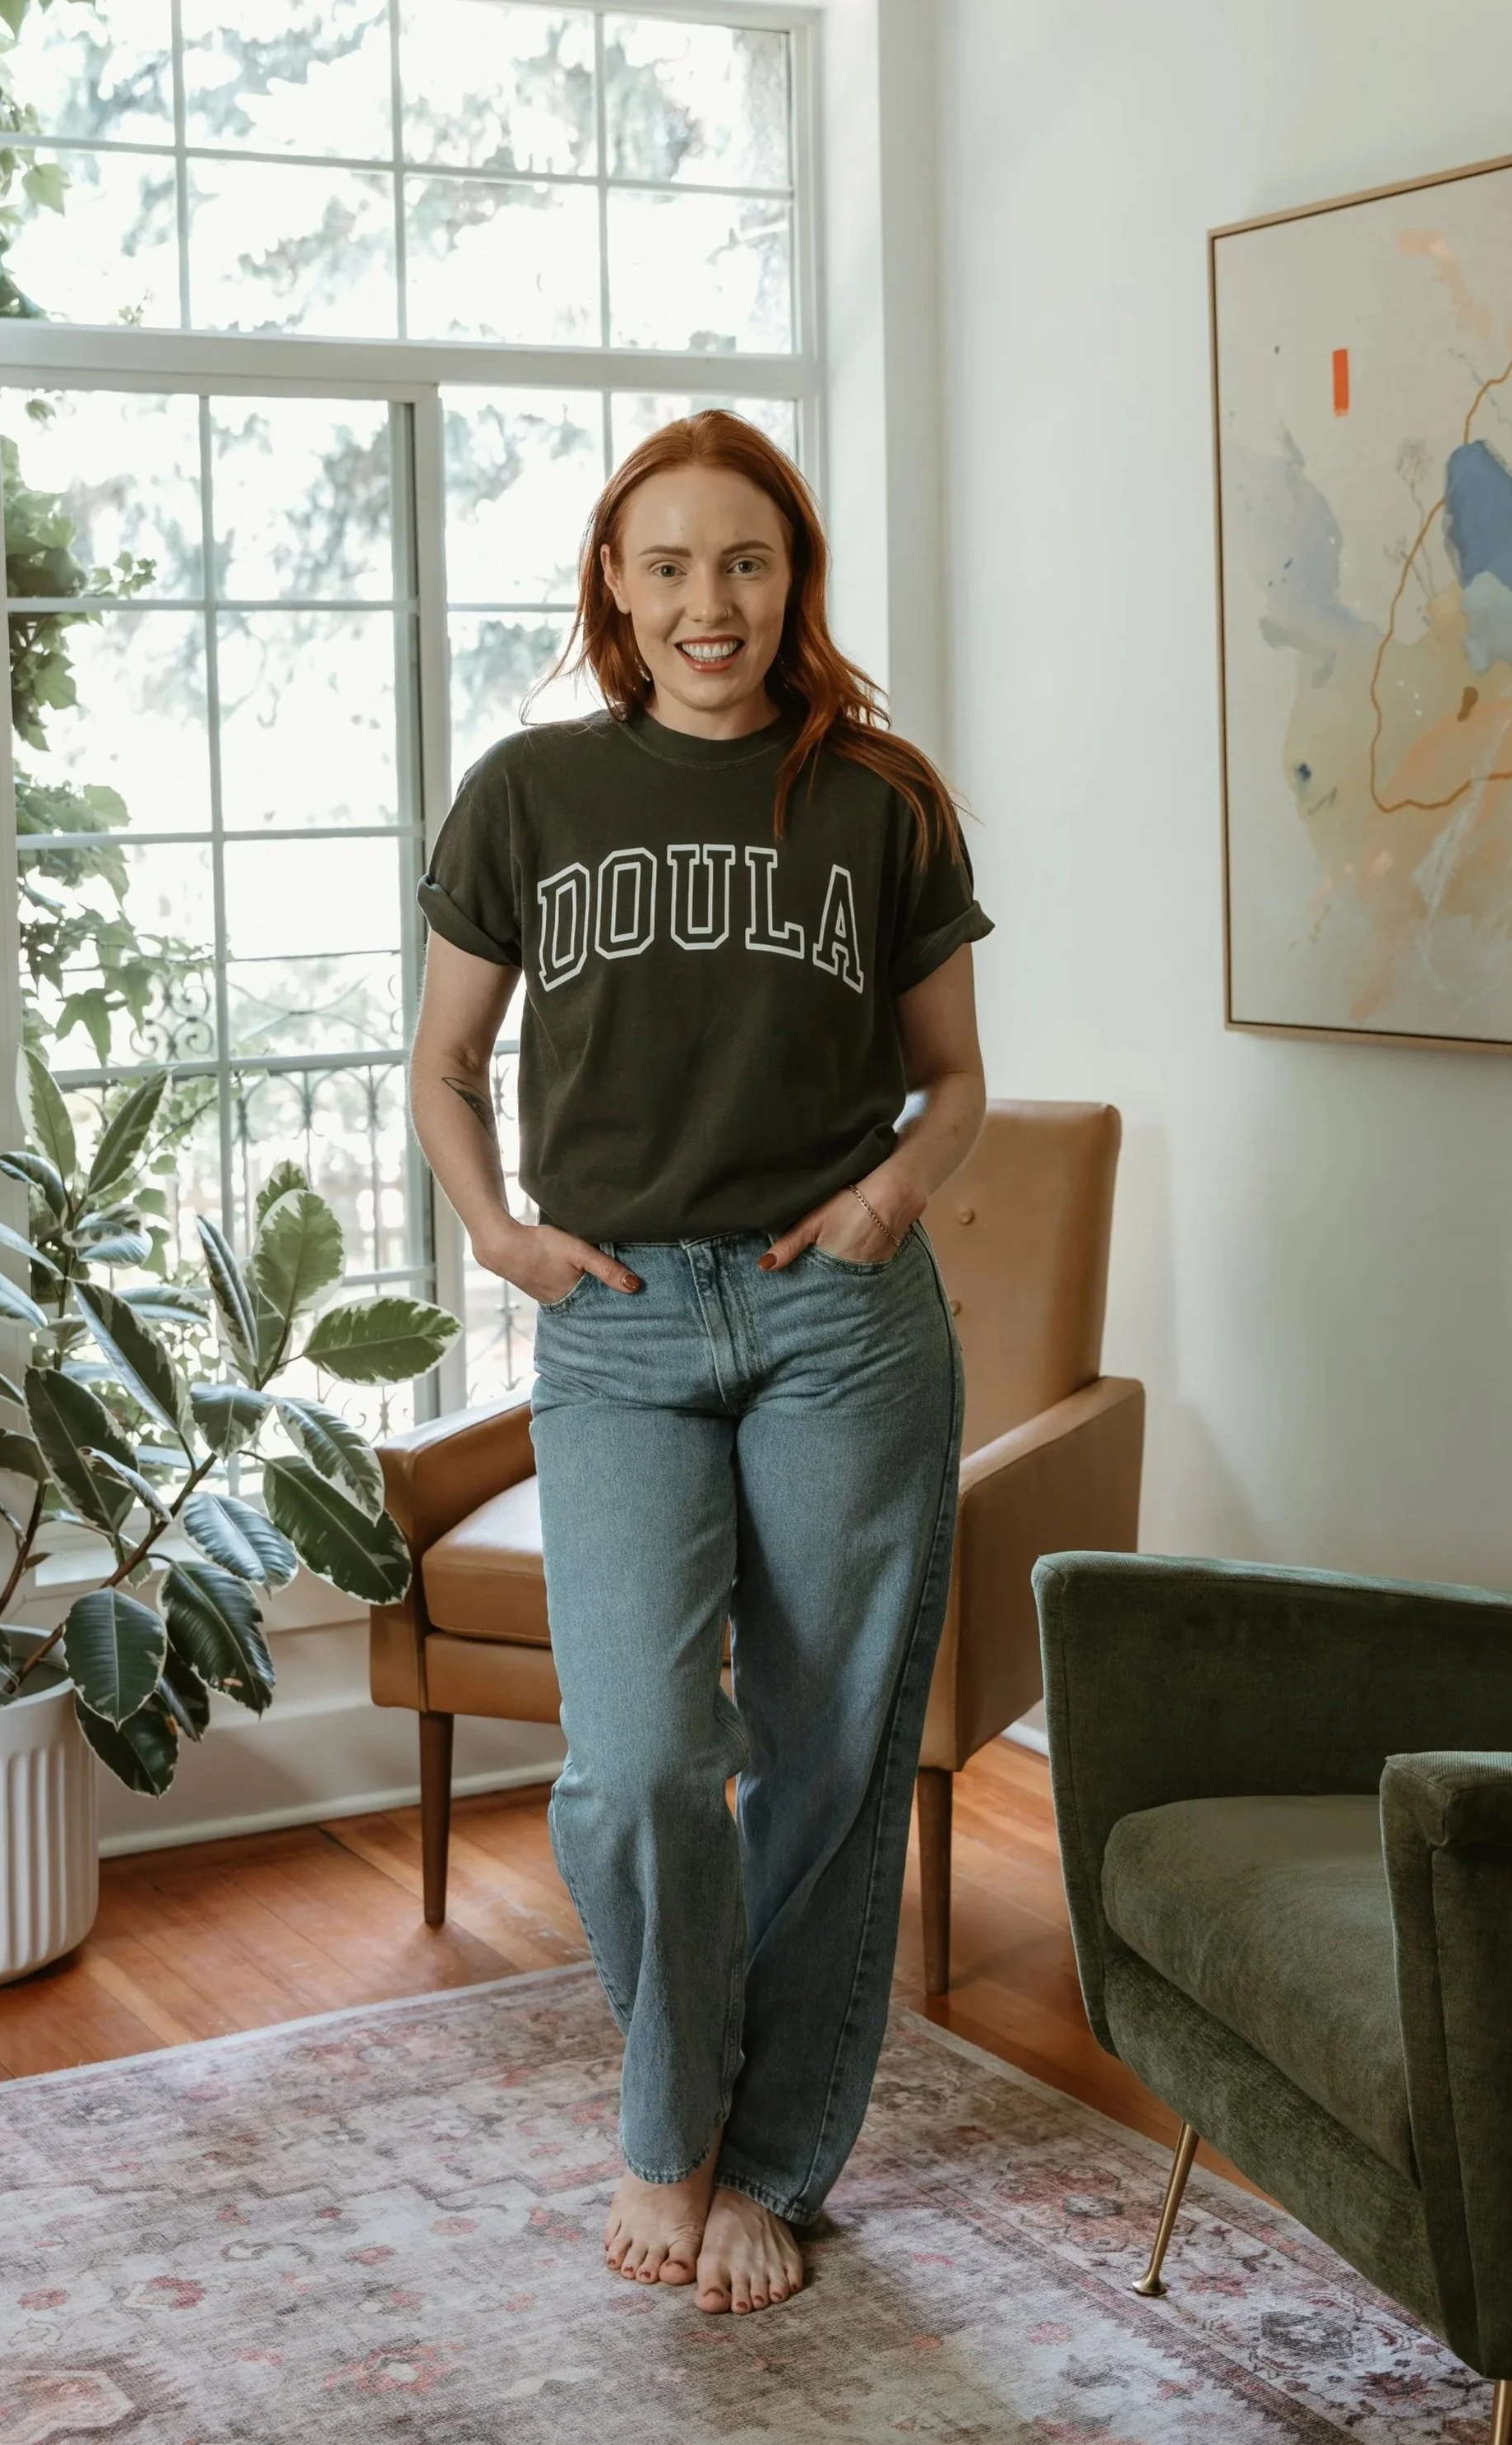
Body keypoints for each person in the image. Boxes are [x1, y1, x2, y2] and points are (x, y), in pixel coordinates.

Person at [409, 411, 990, 2318]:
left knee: (826, 1760)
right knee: (645, 1761)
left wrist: (894, 1198)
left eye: (743, 562)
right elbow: (440, 1063)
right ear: (614, 586)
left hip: (837, 1311)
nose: (706, 602)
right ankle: (673, 2121)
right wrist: (496, 1232)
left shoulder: (879, 798)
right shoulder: (524, 795)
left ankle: (759, 2168)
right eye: (666, 565)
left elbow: (954, 1074)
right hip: (620, 1325)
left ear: (792, 578)